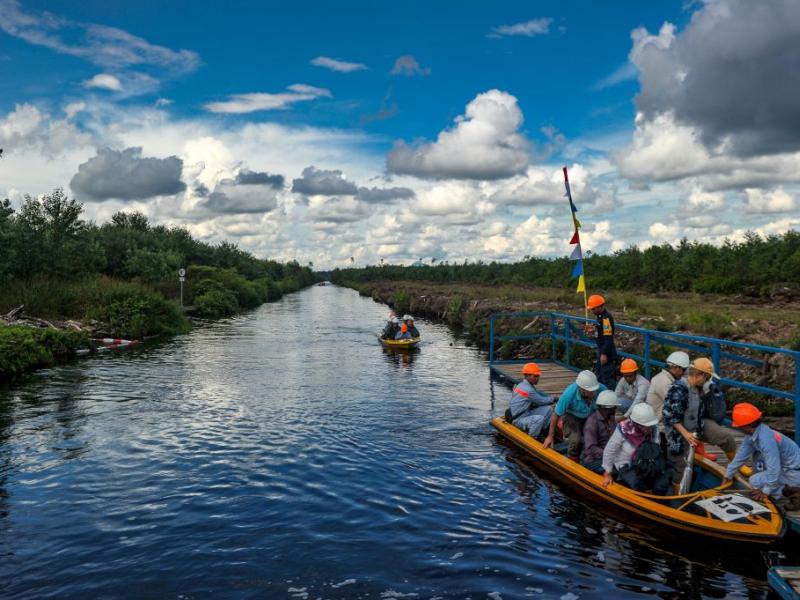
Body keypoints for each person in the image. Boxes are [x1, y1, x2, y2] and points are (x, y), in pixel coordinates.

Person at [663, 357, 737, 490]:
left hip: (698, 425)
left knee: (726, 437)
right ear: (698, 375)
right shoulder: (678, 388)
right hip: (679, 432)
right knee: (682, 466)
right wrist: (686, 434)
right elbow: (670, 415)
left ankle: (735, 468)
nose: (707, 381)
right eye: (707, 377)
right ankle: (677, 493)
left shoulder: (700, 388)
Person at [724, 403, 800, 507]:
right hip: (786, 469)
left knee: (755, 481)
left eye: (739, 426)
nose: (738, 428)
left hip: (793, 472)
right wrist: (728, 475)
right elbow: (741, 455)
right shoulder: (753, 434)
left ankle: (795, 491)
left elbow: (774, 467)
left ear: (747, 425)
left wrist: (765, 491)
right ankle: (787, 489)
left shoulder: (766, 439)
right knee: (759, 477)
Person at [601, 403, 669, 494]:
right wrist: (607, 473)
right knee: (638, 484)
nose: (649, 429)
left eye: (651, 426)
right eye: (646, 426)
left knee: (662, 485)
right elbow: (609, 450)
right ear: (637, 424)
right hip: (626, 464)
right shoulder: (623, 429)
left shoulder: (654, 429)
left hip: (647, 462)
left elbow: (656, 448)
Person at [543, 370, 607, 462]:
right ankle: (573, 458)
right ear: (582, 389)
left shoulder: (602, 389)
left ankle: (592, 459)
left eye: (594, 390)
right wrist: (550, 436)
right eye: (591, 391)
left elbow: (610, 407)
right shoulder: (569, 394)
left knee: (597, 437)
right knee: (576, 440)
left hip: (591, 416)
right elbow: (556, 414)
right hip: (572, 416)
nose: (594, 393)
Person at [646, 351, 690, 447]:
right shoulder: (664, 382)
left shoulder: (668, 378)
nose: (684, 374)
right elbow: (677, 405)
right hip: (660, 425)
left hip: (663, 420)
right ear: (677, 368)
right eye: (684, 370)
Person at [507, 362, 555, 438]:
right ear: (527, 376)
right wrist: (553, 399)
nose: (537, 378)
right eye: (535, 376)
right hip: (518, 420)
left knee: (548, 409)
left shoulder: (520, 385)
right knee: (539, 419)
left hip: (525, 413)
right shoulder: (528, 390)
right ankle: (533, 438)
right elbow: (542, 401)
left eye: (538, 376)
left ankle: (542, 432)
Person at [581, 390, 619, 473]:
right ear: (607, 408)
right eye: (614, 408)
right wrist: (609, 454)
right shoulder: (592, 423)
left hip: (608, 456)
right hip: (593, 460)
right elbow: (590, 448)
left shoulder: (611, 419)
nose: (616, 410)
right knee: (616, 471)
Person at [587, 294, 617, 389]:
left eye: (593, 309)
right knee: (599, 376)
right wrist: (593, 330)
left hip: (607, 353)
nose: (592, 311)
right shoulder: (599, 317)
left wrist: (604, 353)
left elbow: (608, 338)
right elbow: (601, 333)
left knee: (607, 378)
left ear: (600, 307)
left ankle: (610, 399)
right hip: (601, 351)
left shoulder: (606, 318)